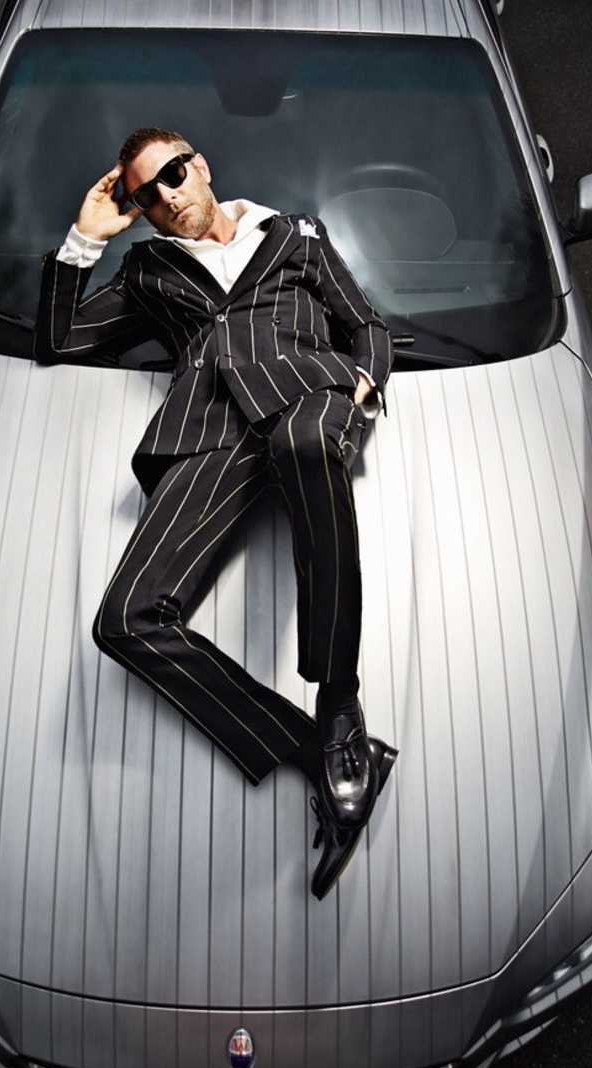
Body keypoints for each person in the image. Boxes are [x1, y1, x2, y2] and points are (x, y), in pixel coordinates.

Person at [35, 127, 397, 899]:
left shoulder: (295, 234)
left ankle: (340, 704)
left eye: (172, 174)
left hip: (307, 398)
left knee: (305, 443)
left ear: (199, 164)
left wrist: (365, 383)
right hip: (211, 431)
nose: (164, 197)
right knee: (125, 621)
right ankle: (315, 748)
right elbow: (61, 338)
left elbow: (364, 322)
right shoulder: (148, 268)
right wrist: (83, 240)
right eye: (144, 195)